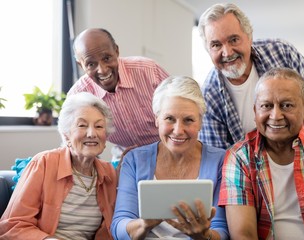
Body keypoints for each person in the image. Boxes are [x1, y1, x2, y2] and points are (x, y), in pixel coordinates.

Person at [218, 67, 304, 239]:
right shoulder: (239, 157)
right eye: (266, 106)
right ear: (255, 111)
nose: (276, 115)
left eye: (286, 105)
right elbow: (243, 234)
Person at [197, 3, 304, 149]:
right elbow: (221, 160)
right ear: (207, 50)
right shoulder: (209, 96)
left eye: (234, 40)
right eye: (216, 45)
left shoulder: (282, 54)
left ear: (249, 37)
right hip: (255, 171)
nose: (227, 52)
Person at [111, 76, 229, 240]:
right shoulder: (135, 160)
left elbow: (222, 230)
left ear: (201, 122)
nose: (178, 130)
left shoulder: (220, 161)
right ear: (157, 119)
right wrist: (144, 224)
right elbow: (119, 227)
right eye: (169, 119)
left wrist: (204, 235)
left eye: (188, 120)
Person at [0, 92, 117, 240]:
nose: (92, 133)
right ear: (66, 135)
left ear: (106, 136)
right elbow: (12, 225)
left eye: (99, 126)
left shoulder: (110, 175)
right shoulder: (44, 163)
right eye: (82, 125)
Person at [68, 28, 170, 152]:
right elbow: (73, 145)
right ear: (81, 65)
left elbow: (181, 108)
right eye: (91, 64)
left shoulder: (149, 70)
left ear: (116, 51)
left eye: (106, 58)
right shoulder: (78, 96)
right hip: (125, 155)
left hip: (167, 147)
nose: (102, 70)